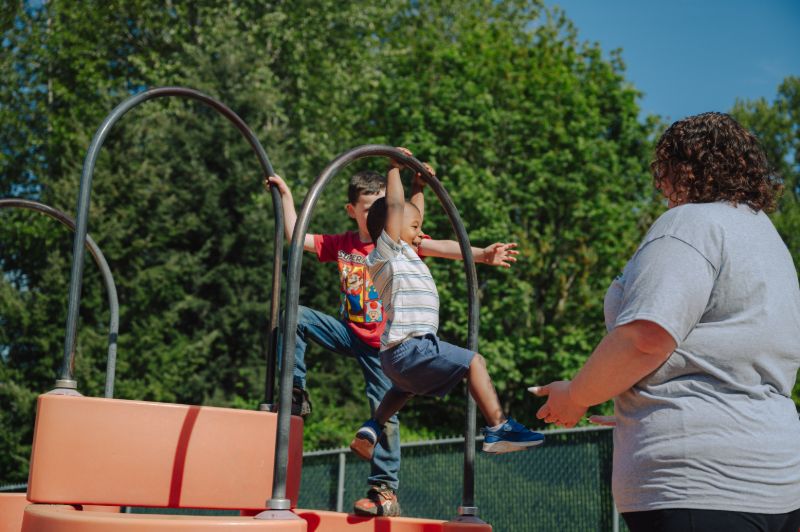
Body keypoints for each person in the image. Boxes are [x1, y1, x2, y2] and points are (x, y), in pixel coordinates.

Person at [530, 112, 800, 532]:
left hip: (697, 482)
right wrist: (629, 395)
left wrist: (578, 394)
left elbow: (646, 337)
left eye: (665, 172)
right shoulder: (767, 239)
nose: (662, 187)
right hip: (779, 482)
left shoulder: (691, 224)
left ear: (682, 168)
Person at [266, 153, 519, 517]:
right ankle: (294, 391)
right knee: (295, 315)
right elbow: (296, 236)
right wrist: (288, 195)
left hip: (386, 344)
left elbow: (440, 245)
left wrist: (481, 254)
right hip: (350, 331)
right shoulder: (344, 243)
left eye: (385, 208)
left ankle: (384, 490)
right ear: (353, 210)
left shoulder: (401, 243)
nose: (379, 215)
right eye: (370, 209)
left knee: (386, 412)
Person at [348, 153, 544, 465]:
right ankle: (498, 427)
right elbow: (399, 211)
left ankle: (373, 426)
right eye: (413, 228)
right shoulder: (385, 253)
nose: (419, 233)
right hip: (410, 347)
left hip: (398, 356)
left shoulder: (407, 249)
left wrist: (419, 185)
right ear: (392, 226)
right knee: (474, 362)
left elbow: (413, 215)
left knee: (405, 388)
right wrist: (394, 170)